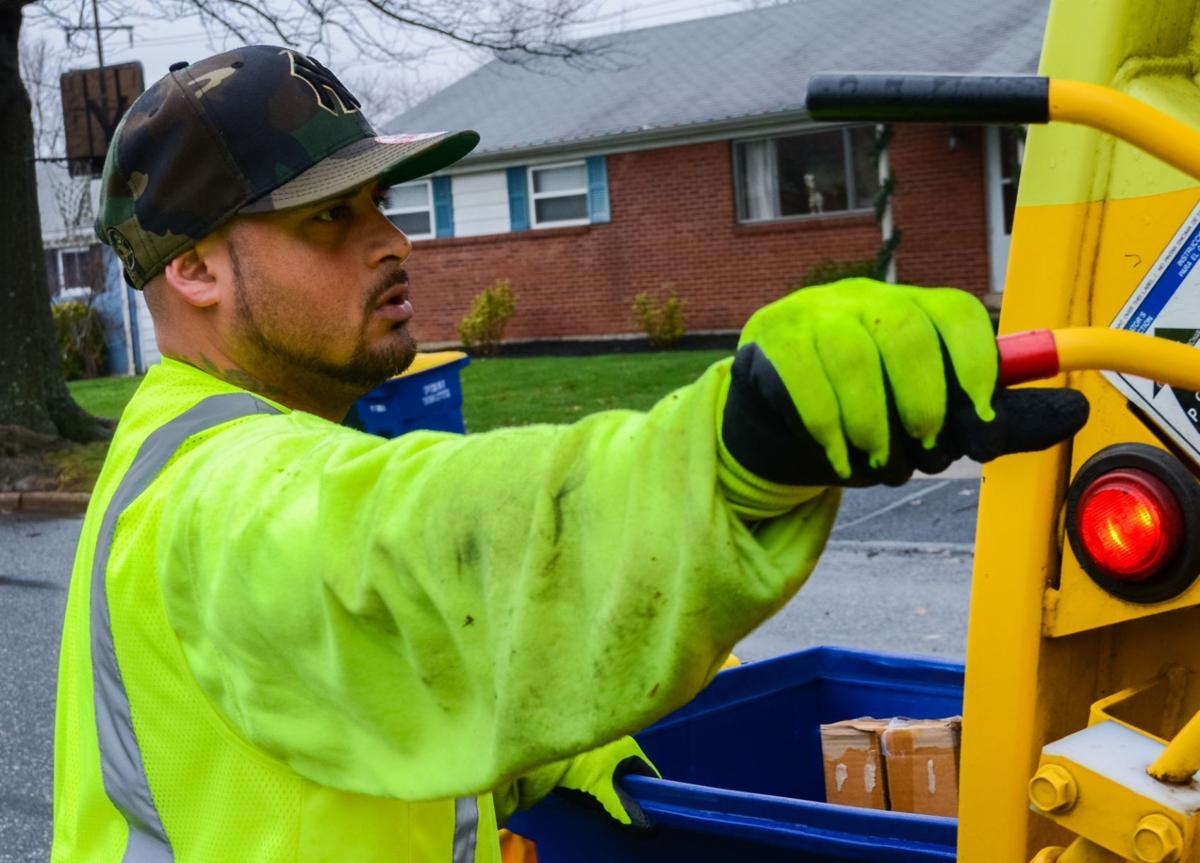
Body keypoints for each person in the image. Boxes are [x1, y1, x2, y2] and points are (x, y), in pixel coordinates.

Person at [52, 45, 1088, 862]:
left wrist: (551, 741)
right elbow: (431, 541)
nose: (392, 239)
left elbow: (352, 688)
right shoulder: (223, 497)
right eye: (330, 216)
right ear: (193, 269)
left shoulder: (209, 443)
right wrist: (734, 449)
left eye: (379, 201)